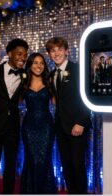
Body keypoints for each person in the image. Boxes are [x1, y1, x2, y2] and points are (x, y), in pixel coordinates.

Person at [45, 37, 91, 194]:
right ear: (49, 54)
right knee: (66, 164)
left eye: (59, 49)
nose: (56, 53)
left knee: (77, 164)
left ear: (67, 51)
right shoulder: (51, 75)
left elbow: (88, 97)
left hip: (77, 125)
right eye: (52, 50)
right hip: (61, 127)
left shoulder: (78, 69)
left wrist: (81, 122)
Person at [0, 38, 28, 194]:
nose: (23, 57)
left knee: (11, 164)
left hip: (13, 126)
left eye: (25, 55)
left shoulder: (25, 75)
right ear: (10, 54)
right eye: (19, 54)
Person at [20, 53, 57, 194]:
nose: (39, 66)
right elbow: (11, 101)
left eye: (41, 63)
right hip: (29, 127)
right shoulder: (23, 83)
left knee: (44, 160)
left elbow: (57, 103)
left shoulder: (49, 82)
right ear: (29, 65)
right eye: (35, 62)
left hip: (46, 127)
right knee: (31, 159)